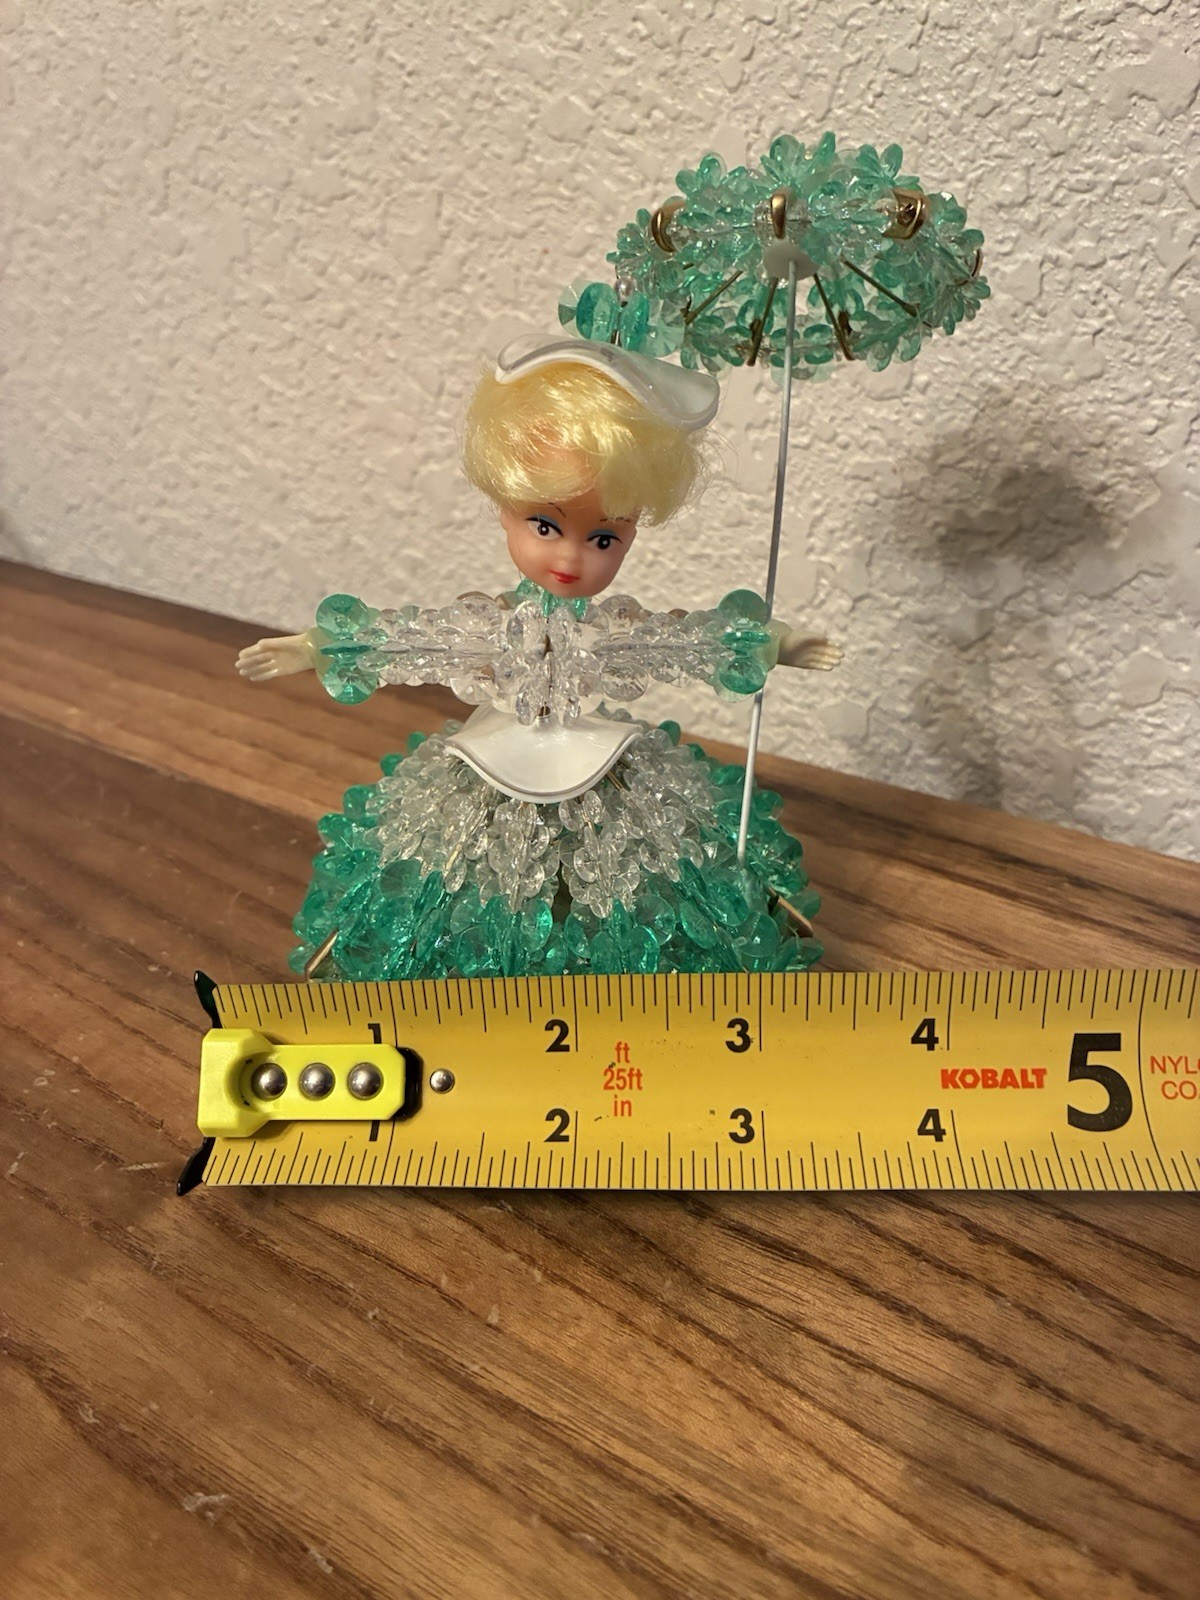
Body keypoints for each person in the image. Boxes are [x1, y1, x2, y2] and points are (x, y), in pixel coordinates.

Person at [236, 336, 840, 980]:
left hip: (597, 760)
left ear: (632, 531)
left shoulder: (608, 635)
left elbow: (679, 643)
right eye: (545, 526)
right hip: (497, 757)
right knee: (449, 869)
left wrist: (771, 644)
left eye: (603, 538)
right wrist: (317, 647)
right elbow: (415, 640)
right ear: (505, 508)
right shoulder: (492, 629)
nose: (571, 558)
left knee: (648, 868)